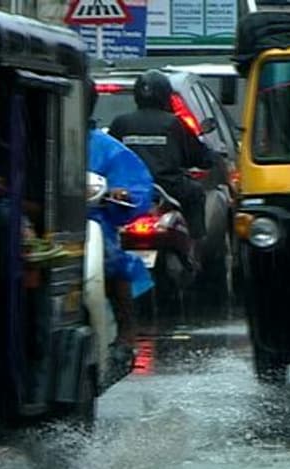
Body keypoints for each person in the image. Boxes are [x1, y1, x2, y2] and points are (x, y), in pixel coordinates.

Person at [85, 77, 155, 353]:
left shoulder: (106, 146)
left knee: (113, 261)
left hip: (94, 224)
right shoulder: (39, 141)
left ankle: (127, 329)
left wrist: (121, 194)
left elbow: (135, 184)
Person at [108, 70, 214, 248]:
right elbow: (198, 156)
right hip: (169, 187)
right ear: (165, 95)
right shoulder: (173, 123)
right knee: (196, 193)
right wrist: (207, 159)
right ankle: (196, 246)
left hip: (128, 189)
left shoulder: (120, 122)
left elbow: (110, 157)